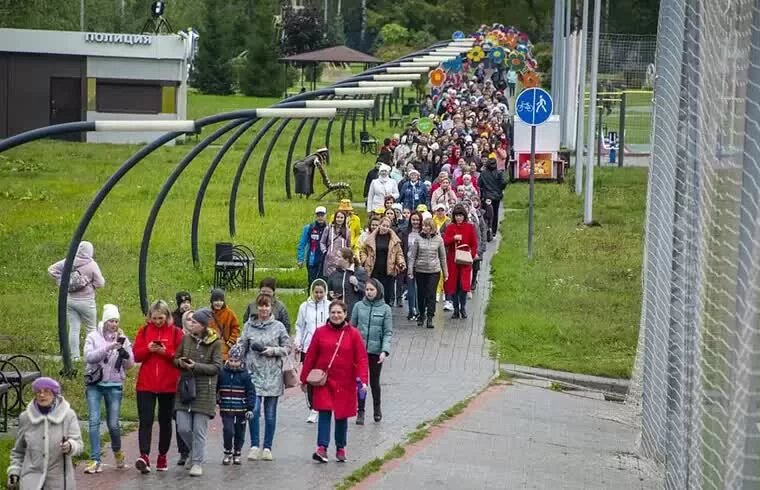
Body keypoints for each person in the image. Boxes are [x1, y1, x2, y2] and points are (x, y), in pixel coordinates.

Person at [301, 300, 368, 464]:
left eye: (339, 313)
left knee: (341, 416)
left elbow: (361, 358)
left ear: (345, 315)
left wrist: (363, 381)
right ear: (328, 314)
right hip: (324, 381)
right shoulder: (320, 332)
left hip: (345, 382)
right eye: (333, 313)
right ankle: (322, 448)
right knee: (324, 412)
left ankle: (340, 448)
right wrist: (304, 379)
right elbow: (310, 357)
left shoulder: (353, 334)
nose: (336, 316)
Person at [132, 300, 183, 473]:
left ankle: (162, 455)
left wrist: (165, 352)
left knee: (165, 421)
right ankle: (144, 455)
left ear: (167, 316)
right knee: (145, 420)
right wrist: (148, 349)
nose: (157, 321)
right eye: (154, 318)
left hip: (168, 384)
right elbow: (136, 356)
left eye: (161, 318)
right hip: (146, 384)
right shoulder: (144, 331)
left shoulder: (176, 333)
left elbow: (180, 357)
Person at [239, 294, 291, 461]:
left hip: (272, 375)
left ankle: (267, 447)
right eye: (260, 306)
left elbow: (287, 347)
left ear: (271, 307)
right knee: (253, 410)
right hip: (253, 375)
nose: (263, 309)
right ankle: (254, 445)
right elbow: (242, 346)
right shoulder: (249, 325)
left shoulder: (279, 327)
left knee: (270, 414)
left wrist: (273, 351)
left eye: (266, 306)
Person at [82, 304, 134, 474]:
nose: (114, 324)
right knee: (94, 421)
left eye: (116, 321)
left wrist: (124, 351)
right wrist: (108, 347)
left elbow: (130, 364)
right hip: (95, 384)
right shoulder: (93, 336)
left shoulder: (123, 338)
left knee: (113, 424)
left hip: (114, 384)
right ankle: (95, 459)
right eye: (111, 320)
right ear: (104, 321)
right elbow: (89, 357)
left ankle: (118, 453)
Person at [8, 378, 83, 490]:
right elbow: (19, 451)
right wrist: (14, 472)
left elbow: (79, 444)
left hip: (59, 481)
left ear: (54, 394)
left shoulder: (68, 415)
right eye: (39, 392)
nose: (42, 395)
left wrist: (71, 445)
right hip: (31, 480)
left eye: (46, 391)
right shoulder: (26, 417)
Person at [173, 308, 223, 477]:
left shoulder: (215, 342)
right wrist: (181, 362)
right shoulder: (186, 339)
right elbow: (175, 358)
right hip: (185, 388)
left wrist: (196, 366)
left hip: (204, 390)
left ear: (202, 325)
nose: (190, 324)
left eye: (194, 322)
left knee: (199, 429)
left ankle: (197, 462)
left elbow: (217, 367)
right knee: (183, 427)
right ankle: (195, 452)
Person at [47, 241, 105, 361]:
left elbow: (52, 270)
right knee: (91, 328)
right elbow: (100, 283)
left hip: (70, 300)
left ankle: (75, 357)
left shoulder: (69, 261)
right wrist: (90, 285)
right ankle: (90, 354)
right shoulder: (92, 264)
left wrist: (62, 281)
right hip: (87, 302)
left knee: (74, 328)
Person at [350, 279, 392, 424]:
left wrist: (384, 351)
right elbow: (352, 328)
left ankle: (377, 409)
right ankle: (360, 411)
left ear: (378, 291)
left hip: (376, 352)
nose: (368, 292)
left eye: (371, 290)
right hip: (360, 352)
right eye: (367, 290)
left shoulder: (386, 309)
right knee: (361, 382)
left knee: (374, 382)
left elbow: (387, 332)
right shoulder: (358, 306)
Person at [294, 278, 330, 424]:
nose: (319, 295)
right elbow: (299, 326)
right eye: (316, 292)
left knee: (321, 377)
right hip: (308, 347)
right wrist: (298, 341)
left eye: (321, 292)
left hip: (325, 348)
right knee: (309, 377)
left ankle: (322, 405)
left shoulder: (329, 306)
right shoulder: (304, 307)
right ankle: (313, 407)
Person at [217, 343, 256, 466]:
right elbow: (216, 388)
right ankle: (227, 451)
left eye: (236, 361)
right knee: (228, 430)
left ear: (241, 361)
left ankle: (237, 452)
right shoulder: (222, 373)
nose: (233, 363)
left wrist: (250, 407)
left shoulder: (245, 375)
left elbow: (251, 392)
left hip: (241, 409)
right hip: (226, 407)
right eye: (231, 360)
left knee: (240, 431)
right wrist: (217, 400)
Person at [409, 218, 448, 328]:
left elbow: (442, 257)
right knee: (421, 294)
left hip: (434, 271)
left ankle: (430, 317)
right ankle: (421, 315)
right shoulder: (418, 239)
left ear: (433, 227)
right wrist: (410, 270)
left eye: (428, 226)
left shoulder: (439, 240)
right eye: (424, 226)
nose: (425, 228)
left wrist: (445, 273)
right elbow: (413, 256)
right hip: (420, 270)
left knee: (431, 294)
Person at [360, 217, 406, 307]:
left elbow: (399, 253)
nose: (385, 228)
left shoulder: (394, 240)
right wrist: (364, 260)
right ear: (379, 225)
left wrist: (401, 262)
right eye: (383, 225)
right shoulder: (372, 237)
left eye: (387, 226)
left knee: (387, 295)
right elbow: (363, 250)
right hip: (374, 269)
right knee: (374, 293)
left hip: (388, 271)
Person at [443, 205, 478, 319]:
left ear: (464, 216)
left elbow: (474, 243)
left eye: (461, 215)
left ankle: (463, 307)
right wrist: (453, 238)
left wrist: (470, 256)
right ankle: (456, 309)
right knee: (453, 286)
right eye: (457, 216)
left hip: (465, 261)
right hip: (453, 261)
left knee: (463, 286)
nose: (459, 218)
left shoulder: (469, 227)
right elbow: (445, 242)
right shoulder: (450, 227)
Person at [327, 247, 368, 318]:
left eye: (339, 257)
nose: (336, 258)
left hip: (354, 314)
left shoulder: (360, 272)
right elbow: (328, 291)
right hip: (337, 314)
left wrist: (357, 284)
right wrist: (331, 297)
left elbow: (368, 291)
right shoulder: (334, 274)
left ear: (346, 260)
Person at [297, 206, 328, 286]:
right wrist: (300, 259)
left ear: (326, 215)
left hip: (326, 261)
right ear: (315, 216)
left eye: (322, 215)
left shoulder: (329, 229)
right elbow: (302, 244)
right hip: (312, 261)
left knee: (324, 284)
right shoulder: (309, 228)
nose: (320, 217)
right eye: (318, 215)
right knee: (312, 283)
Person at [401, 211, 423, 321]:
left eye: (417, 220)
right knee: (410, 289)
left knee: (419, 288)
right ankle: (411, 310)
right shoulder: (405, 233)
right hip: (409, 264)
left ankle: (420, 311)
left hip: (421, 264)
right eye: (413, 220)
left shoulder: (423, 232)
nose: (415, 222)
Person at [478, 158, 507, 236]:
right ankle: (493, 231)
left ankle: (486, 228)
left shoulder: (483, 173)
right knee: (495, 213)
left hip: (486, 196)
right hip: (496, 196)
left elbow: (479, 184)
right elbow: (504, 182)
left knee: (486, 213)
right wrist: (500, 189)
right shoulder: (499, 173)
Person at [209, 288, 240, 360]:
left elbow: (236, 328)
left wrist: (231, 342)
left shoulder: (229, 313)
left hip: (225, 347)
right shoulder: (207, 313)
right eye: (216, 300)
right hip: (210, 346)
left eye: (221, 300)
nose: (218, 303)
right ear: (212, 301)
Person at [320, 210, 350, 277]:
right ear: (335, 218)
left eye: (341, 217)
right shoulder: (329, 229)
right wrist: (325, 251)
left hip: (342, 260)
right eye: (338, 217)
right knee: (329, 280)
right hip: (330, 260)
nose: (339, 219)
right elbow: (322, 242)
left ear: (344, 219)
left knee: (340, 279)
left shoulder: (348, 231)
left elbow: (348, 245)